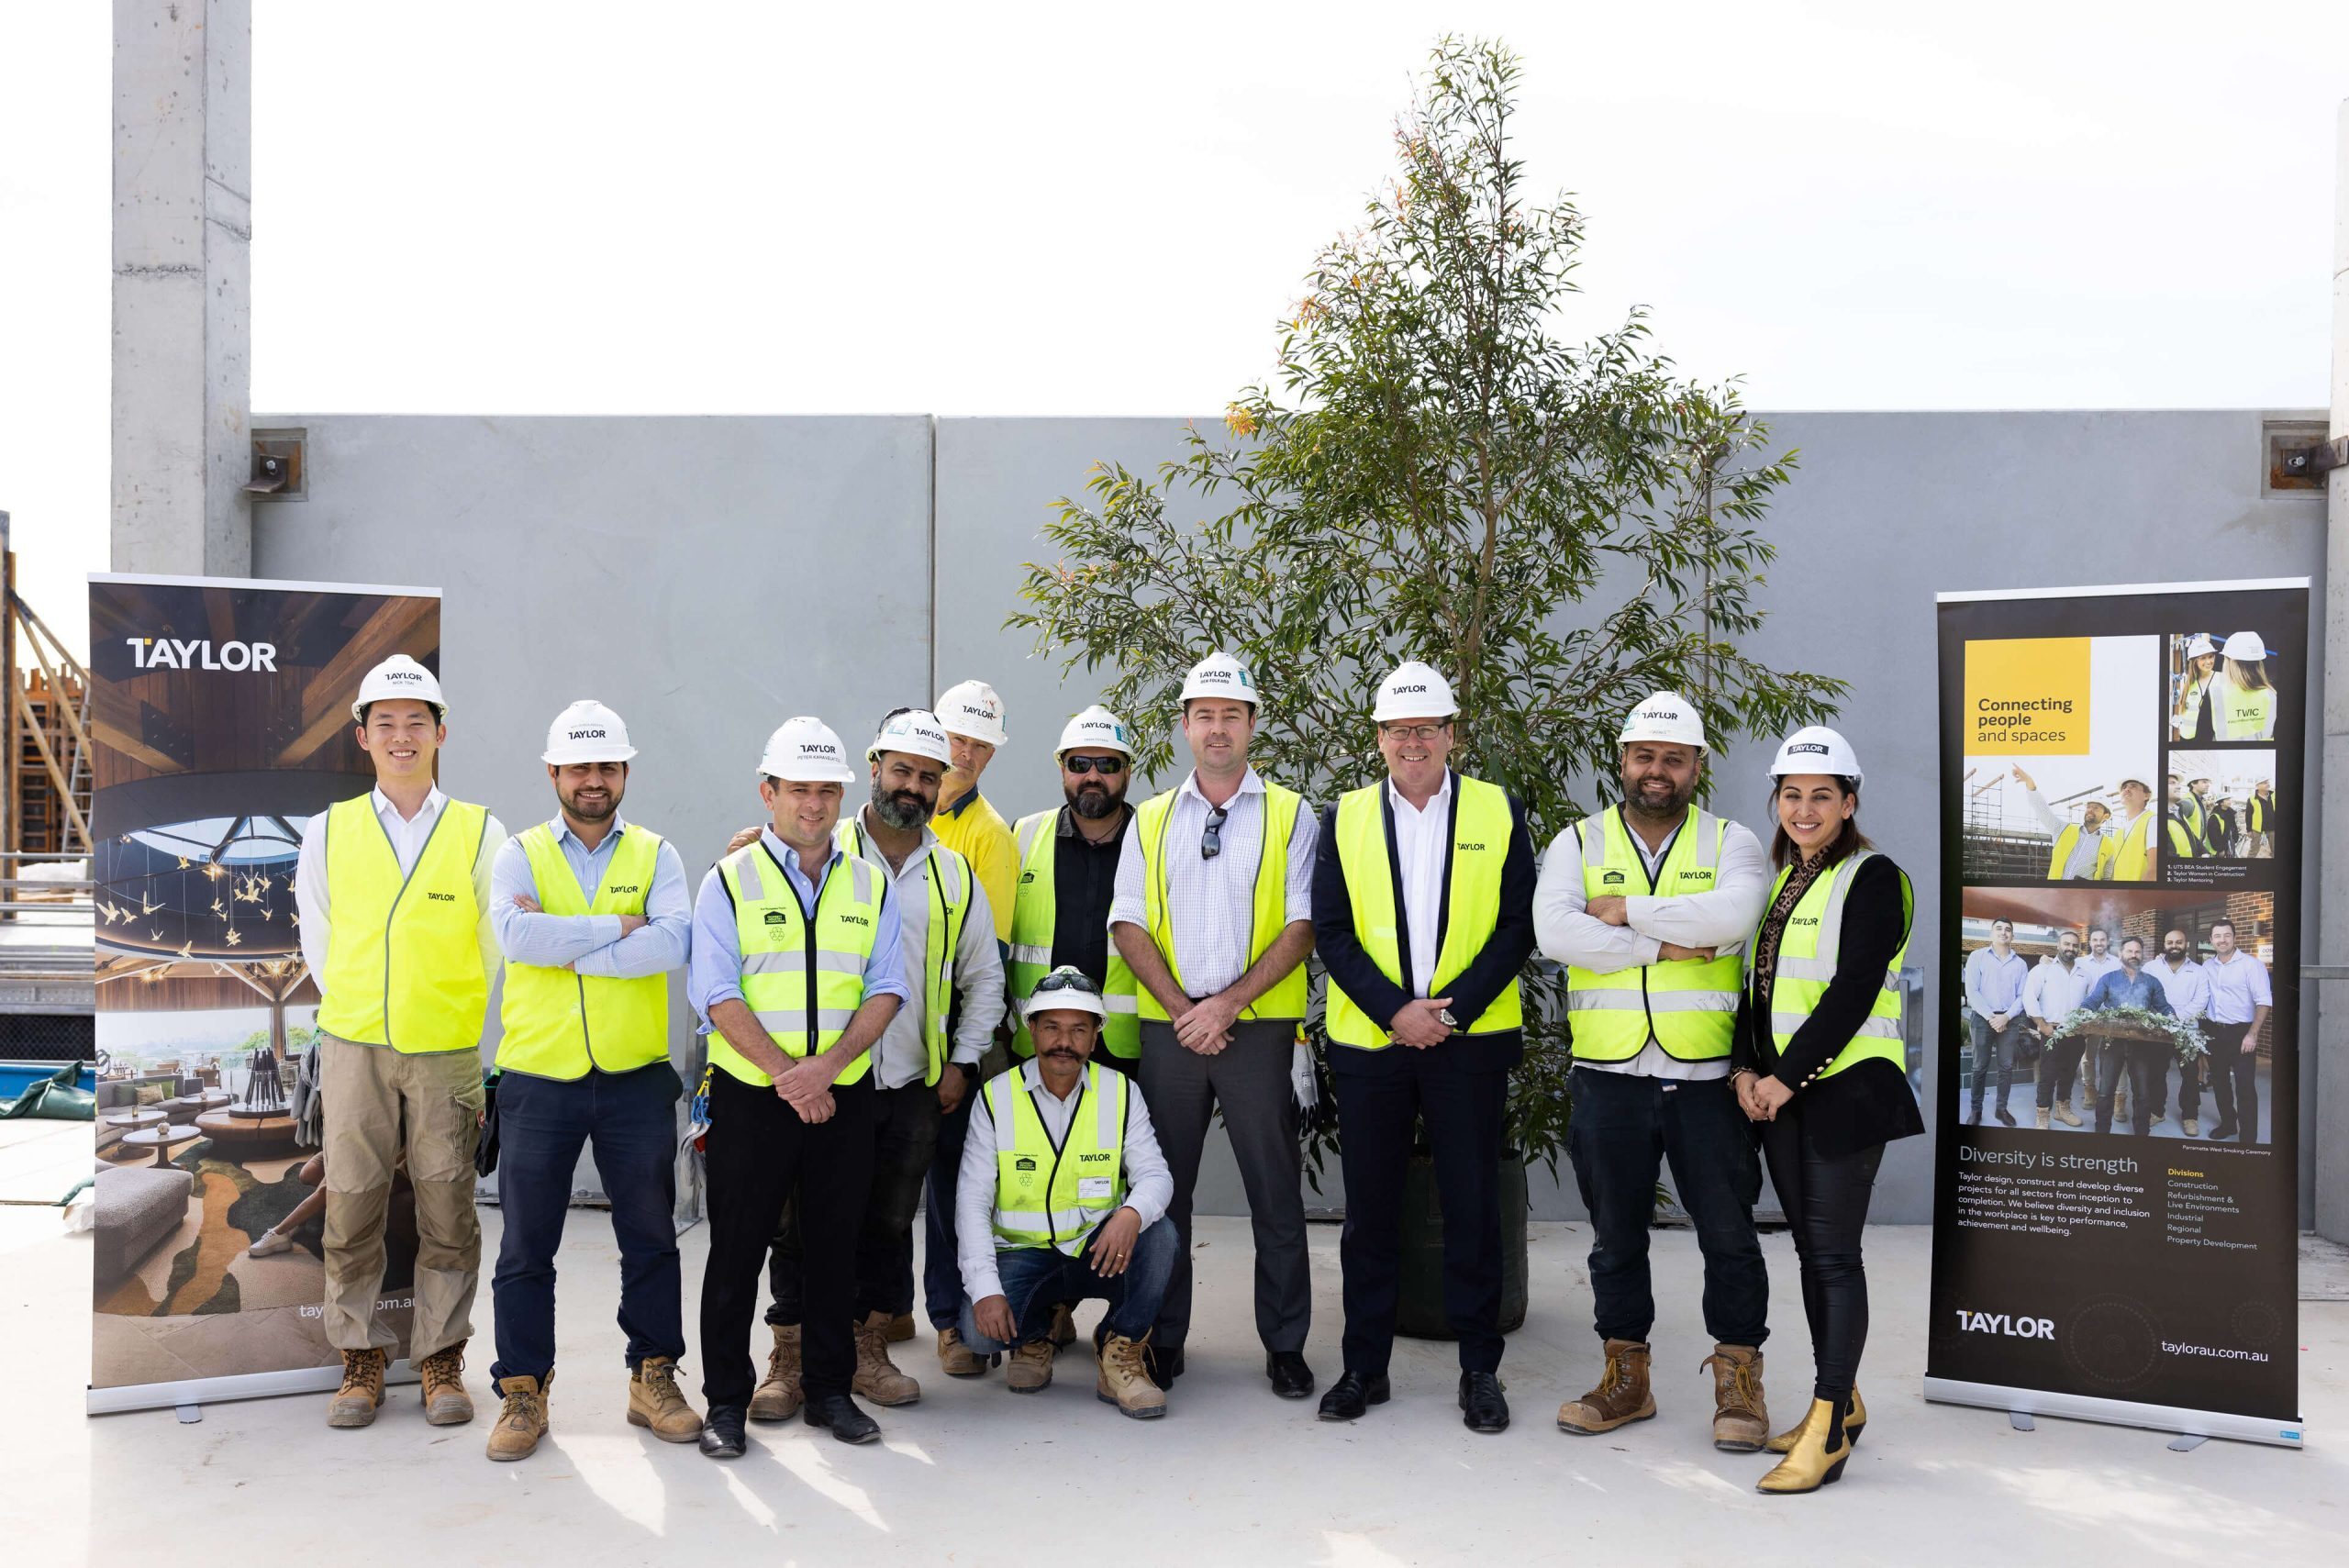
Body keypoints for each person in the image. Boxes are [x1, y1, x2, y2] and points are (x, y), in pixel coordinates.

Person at [744, 709, 1003, 1419]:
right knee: (799, 1221)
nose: (914, 786)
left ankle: (863, 1347)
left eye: (928, 775)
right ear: (874, 767)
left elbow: (985, 976)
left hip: (913, 1082)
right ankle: (790, 1354)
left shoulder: (954, 875)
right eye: (902, 770)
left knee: (887, 1222)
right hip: (829, 1077)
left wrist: (962, 1061)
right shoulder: (818, 846)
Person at [1535, 691, 1773, 1452]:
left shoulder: (1733, 840)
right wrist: (1663, 944)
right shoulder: (1576, 839)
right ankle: (1625, 1377)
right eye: (1645, 755)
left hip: (1705, 1077)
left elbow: (1729, 919)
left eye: (1674, 757)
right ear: (1623, 759)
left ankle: (1738, 1377)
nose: (1658, 770)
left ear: (1698, 765)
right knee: (1614, 1237)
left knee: (1729, 1233)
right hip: (1606, 1073)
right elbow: (1554, 932)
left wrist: (1623, 908)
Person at [1311, 662, 1536, 1434]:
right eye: (1400, 730)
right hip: (1372, 1045)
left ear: (1452, 734)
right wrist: (1396, 1013)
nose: (1413, 742)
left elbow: (1517, 928)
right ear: (1379, 738)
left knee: (1472, 1208)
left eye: (1427, 728)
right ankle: (1363, 1368)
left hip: (1466, 1045)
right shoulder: (1341, 816)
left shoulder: (1500, 809)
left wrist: (1451, 1013)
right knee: (1368, 1212)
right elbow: (1332, 933)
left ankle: (1480, 1371)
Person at [295, 654, 507, 1431]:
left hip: (447, 1048)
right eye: (384, 721)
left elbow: (492, 946)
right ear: (363, 736)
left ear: (441, 731)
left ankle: (442, 1355)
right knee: (351, 1202)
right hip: (352, 1043)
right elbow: (319, 939)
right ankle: (360, 1357)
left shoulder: (482, 831)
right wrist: (366, 1008)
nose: (401, 734)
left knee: (450, 1204)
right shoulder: (327, 830)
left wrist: (445, 1013)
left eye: (417, 720)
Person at [687, 717, 908, 1460]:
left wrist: (827, 1067)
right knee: (737, 1252)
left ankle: (830, 1391)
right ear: (768, 791)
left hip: (841, 1097)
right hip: (755, 1098)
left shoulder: (870, 882)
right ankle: (724, 1402)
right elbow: (717, 994)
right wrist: (791, 1073)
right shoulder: (729, 880)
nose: (812, 804)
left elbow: (885, 989)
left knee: (834, 1249)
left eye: (826, 789)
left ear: (842, 793)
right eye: (797, 789)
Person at [483, 700, 697, 1461]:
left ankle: (653, 1377)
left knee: (650, 1238)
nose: (594, 780)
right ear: (554, 773)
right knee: (525, 1245)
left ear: (625, 772)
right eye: (580, 767)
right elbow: (512, 934)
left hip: (635, 1076)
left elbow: (674, 942)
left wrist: (564, 943)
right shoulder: (518, 851)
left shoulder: (657, 853)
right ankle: (522, 1391)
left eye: (607, 766)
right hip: (538, 1078)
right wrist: (616, 928)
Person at [1109, 650, 1318, 1396]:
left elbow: (1302, 924)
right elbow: (1126, 923)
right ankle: (1163, 1339)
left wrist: (1224, 1006)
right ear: (1185, 727)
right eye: (1205, 715)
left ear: (1252, 722)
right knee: (1166, 1190)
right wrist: (1181, 1010)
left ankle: (1286, 1344)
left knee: (1275, 1192)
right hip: (1172, 1032)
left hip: (1256, 1030)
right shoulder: (1153, 820)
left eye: (1232, 714)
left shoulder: (1293, 814)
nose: (1219, 728)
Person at [1732, 727, 1922, 1495]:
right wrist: (1748, 1067)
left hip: (1846, 1090)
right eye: (1791, 795)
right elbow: (1760, 986)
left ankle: (1827, 1425)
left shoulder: (1875, 877)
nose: (1804, 809)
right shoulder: (1784, 881)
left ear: (1850, 802)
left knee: (1836, 1256)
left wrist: (1782, 1078)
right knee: (1813, 1252)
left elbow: (1850, 991)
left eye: (1821, 796)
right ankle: (1838, 1404)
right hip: (1785, 1091)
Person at [960, 706, 1141, 1375]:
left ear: (1128, 772)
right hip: (1038, 1047)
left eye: (1107, 763)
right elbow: (959, 886)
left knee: (1121, 1182)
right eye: (1079, 762)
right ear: (1060, 769)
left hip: (1127, 1045)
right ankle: (1046, 1312)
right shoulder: (1023, 834)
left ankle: (1131, 1331)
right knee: (1032, 1176)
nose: (1092, 774)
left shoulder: (1152, 835)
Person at [954, 968, 1175, 1419]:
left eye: (1079, 1030)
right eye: (1052, 1027)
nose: (1064, 1042)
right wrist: (985, 1290)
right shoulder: (996, 1098)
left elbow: (1156, 1175)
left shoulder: (1121, 1092)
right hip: (1026, 1254)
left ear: (1095, 1037)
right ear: (1031, 1030)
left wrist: (1131, 1212)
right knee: (978, 1335)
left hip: (1098, 1250)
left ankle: (1120, 1347)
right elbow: (971, 1202)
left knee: (1162, 1234)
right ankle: (1037, 1331)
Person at [930, 679, 1019, 945]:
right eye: (958, 739)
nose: (967, 753)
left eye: (980, 746)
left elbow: (991, 948)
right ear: (937, 738)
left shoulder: (992, 836)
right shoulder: (905, 814)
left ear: (990, 756)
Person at [2084, 938, 2173, 1137]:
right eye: (2130, 951)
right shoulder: (2108, 979)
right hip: (2111, 1042)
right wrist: (2080, 1014)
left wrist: (2173, 1018)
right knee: (2106, 1090)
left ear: (2142, 955)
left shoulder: (2151, 981)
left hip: (2142, 1043)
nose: (2134, 955)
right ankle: (2102, 1132)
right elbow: (2093, 1001)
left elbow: (2163, 1007)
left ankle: (2141, 1133)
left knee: (2142, 1093)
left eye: (2138, 952)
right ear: (2120, 954)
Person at [2201, 919, 2273, 1144]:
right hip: (2214, 1031)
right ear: (2211, 940)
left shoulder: (2252, 965)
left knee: (2245, 1087)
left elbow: (2264, 1001)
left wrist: (2252, 1034)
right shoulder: (2206, 967)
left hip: (2241, 1034)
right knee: (2220, 1083)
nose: (2222, 940)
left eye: (2226, 935)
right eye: (2217, 936)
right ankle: (2228, 1124)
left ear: (2234, 937)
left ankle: (2248, 1137)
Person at [1961, 919, 2030, 1127]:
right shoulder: (1977, 957)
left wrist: (2006, 1017)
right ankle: (1976, 1110)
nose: (2004, 932)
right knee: (1979, 1067)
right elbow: (1972, 992)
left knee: (2006, 1067)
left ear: (2013, 936)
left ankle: (2001, 1109)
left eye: (2008, 929)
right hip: (1983, 1018)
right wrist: (1992, 1017)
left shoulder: (2020, 964)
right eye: (1999, 929)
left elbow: (2022, 995)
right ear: (1991, 933)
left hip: (2009, 1019)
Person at [2142, 929, 2210, 1136]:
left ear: (2186, 945)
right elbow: (2144, 996)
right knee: (2156, 1074)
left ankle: (2190, 1116)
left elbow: (2201, 1001)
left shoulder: (2199, 971)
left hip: (2187, 1032)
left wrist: (2174, 1017)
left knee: (2190, 1076)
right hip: (2157, 1032)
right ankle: (2156, 1111)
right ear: (2164, 944)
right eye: (2170, 942)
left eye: (2178, 942)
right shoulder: (2150, 967)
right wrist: (2161, 1020)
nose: (2174, 945)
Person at [2023, 929, 2091, 1129]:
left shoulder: (2084, 974)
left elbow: (2092, 1001)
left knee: (2069, 1073)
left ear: (2078, 948)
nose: (2070, 948)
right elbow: (2028, 998)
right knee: (2048, 1075)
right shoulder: (2042, 970)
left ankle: (2063, 1110)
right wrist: (2042, 1025)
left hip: (2075, 1033)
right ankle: (2043, 1113)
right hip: (2051, 1032)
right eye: (2066, 944)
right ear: (2058, 946)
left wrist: (2087, 1026)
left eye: (2074, 945)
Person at [2012, 767, 2112, 881]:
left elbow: (2107, 878)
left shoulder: (2109, 845)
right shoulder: (2063, 829)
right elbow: (2042, 811)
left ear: (2106, 816)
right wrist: (2030, 783)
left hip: (2083, 897)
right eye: (2088, 807)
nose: (2090, 810)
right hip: (2056, 893)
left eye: (2096, 808)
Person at [2207, 631, 2277, 741]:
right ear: (2259, 663)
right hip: (2264, 758)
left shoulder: (2215, 695)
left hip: (2225, 758)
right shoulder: (2272, 695)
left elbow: (2200, 743)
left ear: (2230, 662)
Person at [2107, 779, 2158, 881]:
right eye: (2124, 787)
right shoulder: (2119, 832)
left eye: (2133, 786)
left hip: (2139, 894)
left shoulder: (2153, 820)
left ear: (2146, 796)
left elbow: (2154, 870)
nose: (2127, 789)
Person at [2171, 634, 2217, 741]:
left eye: (2211, 656)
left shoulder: (2221, 678)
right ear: (2194, 661)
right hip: (2187, 739)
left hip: (2210, 738)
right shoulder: (2188, 682)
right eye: (2203, 658)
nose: (2208, 661)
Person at [2245, 781, 2276, 860]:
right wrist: (2249, 830)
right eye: (2265, 783)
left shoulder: (2274, 796)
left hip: (2273, 828)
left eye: (2268, 782)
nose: (2268, 784)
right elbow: (2248, 815)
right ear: (2258, 786)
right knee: (2253, 852)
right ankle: (2248, 868)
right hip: (2257, 830)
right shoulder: (2252, 799)